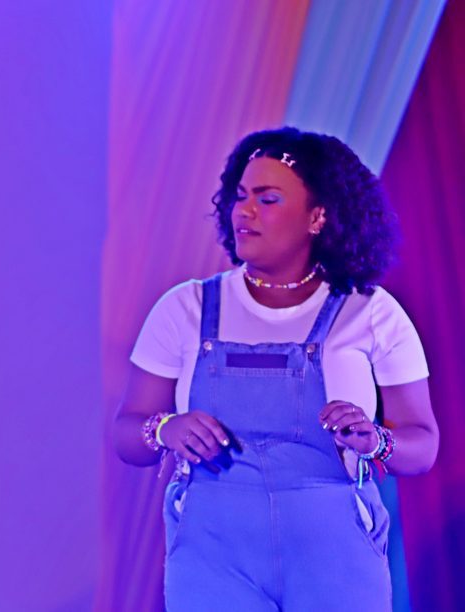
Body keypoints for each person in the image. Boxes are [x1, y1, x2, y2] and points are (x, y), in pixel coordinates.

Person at [113, 127, 439, 610]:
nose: (244, 211)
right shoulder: (184, 309)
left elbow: (423, 445)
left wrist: (375, 441)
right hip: (213, 561)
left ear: (317, 216)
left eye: (267, 199)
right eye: (241, 196)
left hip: (334, 561)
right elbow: (126, 434)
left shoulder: (370, 312)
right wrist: (164, 429)